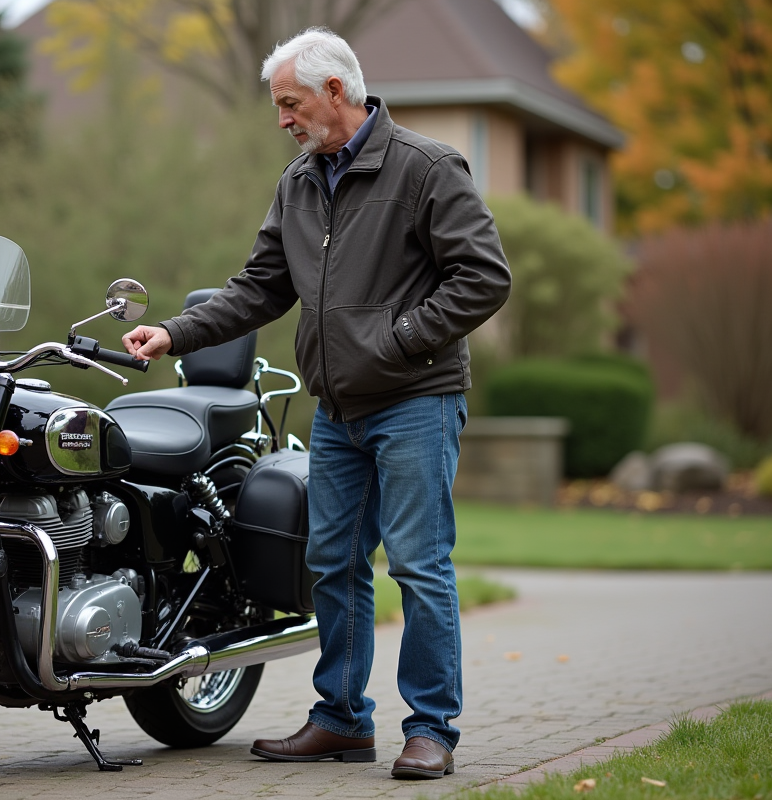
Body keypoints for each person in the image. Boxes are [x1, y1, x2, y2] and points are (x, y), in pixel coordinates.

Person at [121, 27, 511, 780]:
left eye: (290, 103)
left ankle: (432, 728)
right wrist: (173, 331)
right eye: (279, 106)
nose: (283, 120)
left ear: (338, 91)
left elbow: (484, 276)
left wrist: (399, 342)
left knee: (419, 565)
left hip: (413, 402)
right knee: (331, 562)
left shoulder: (426, 168)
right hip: (337, 411)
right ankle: (340, 718)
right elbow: (259, 287)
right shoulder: (300, 182)